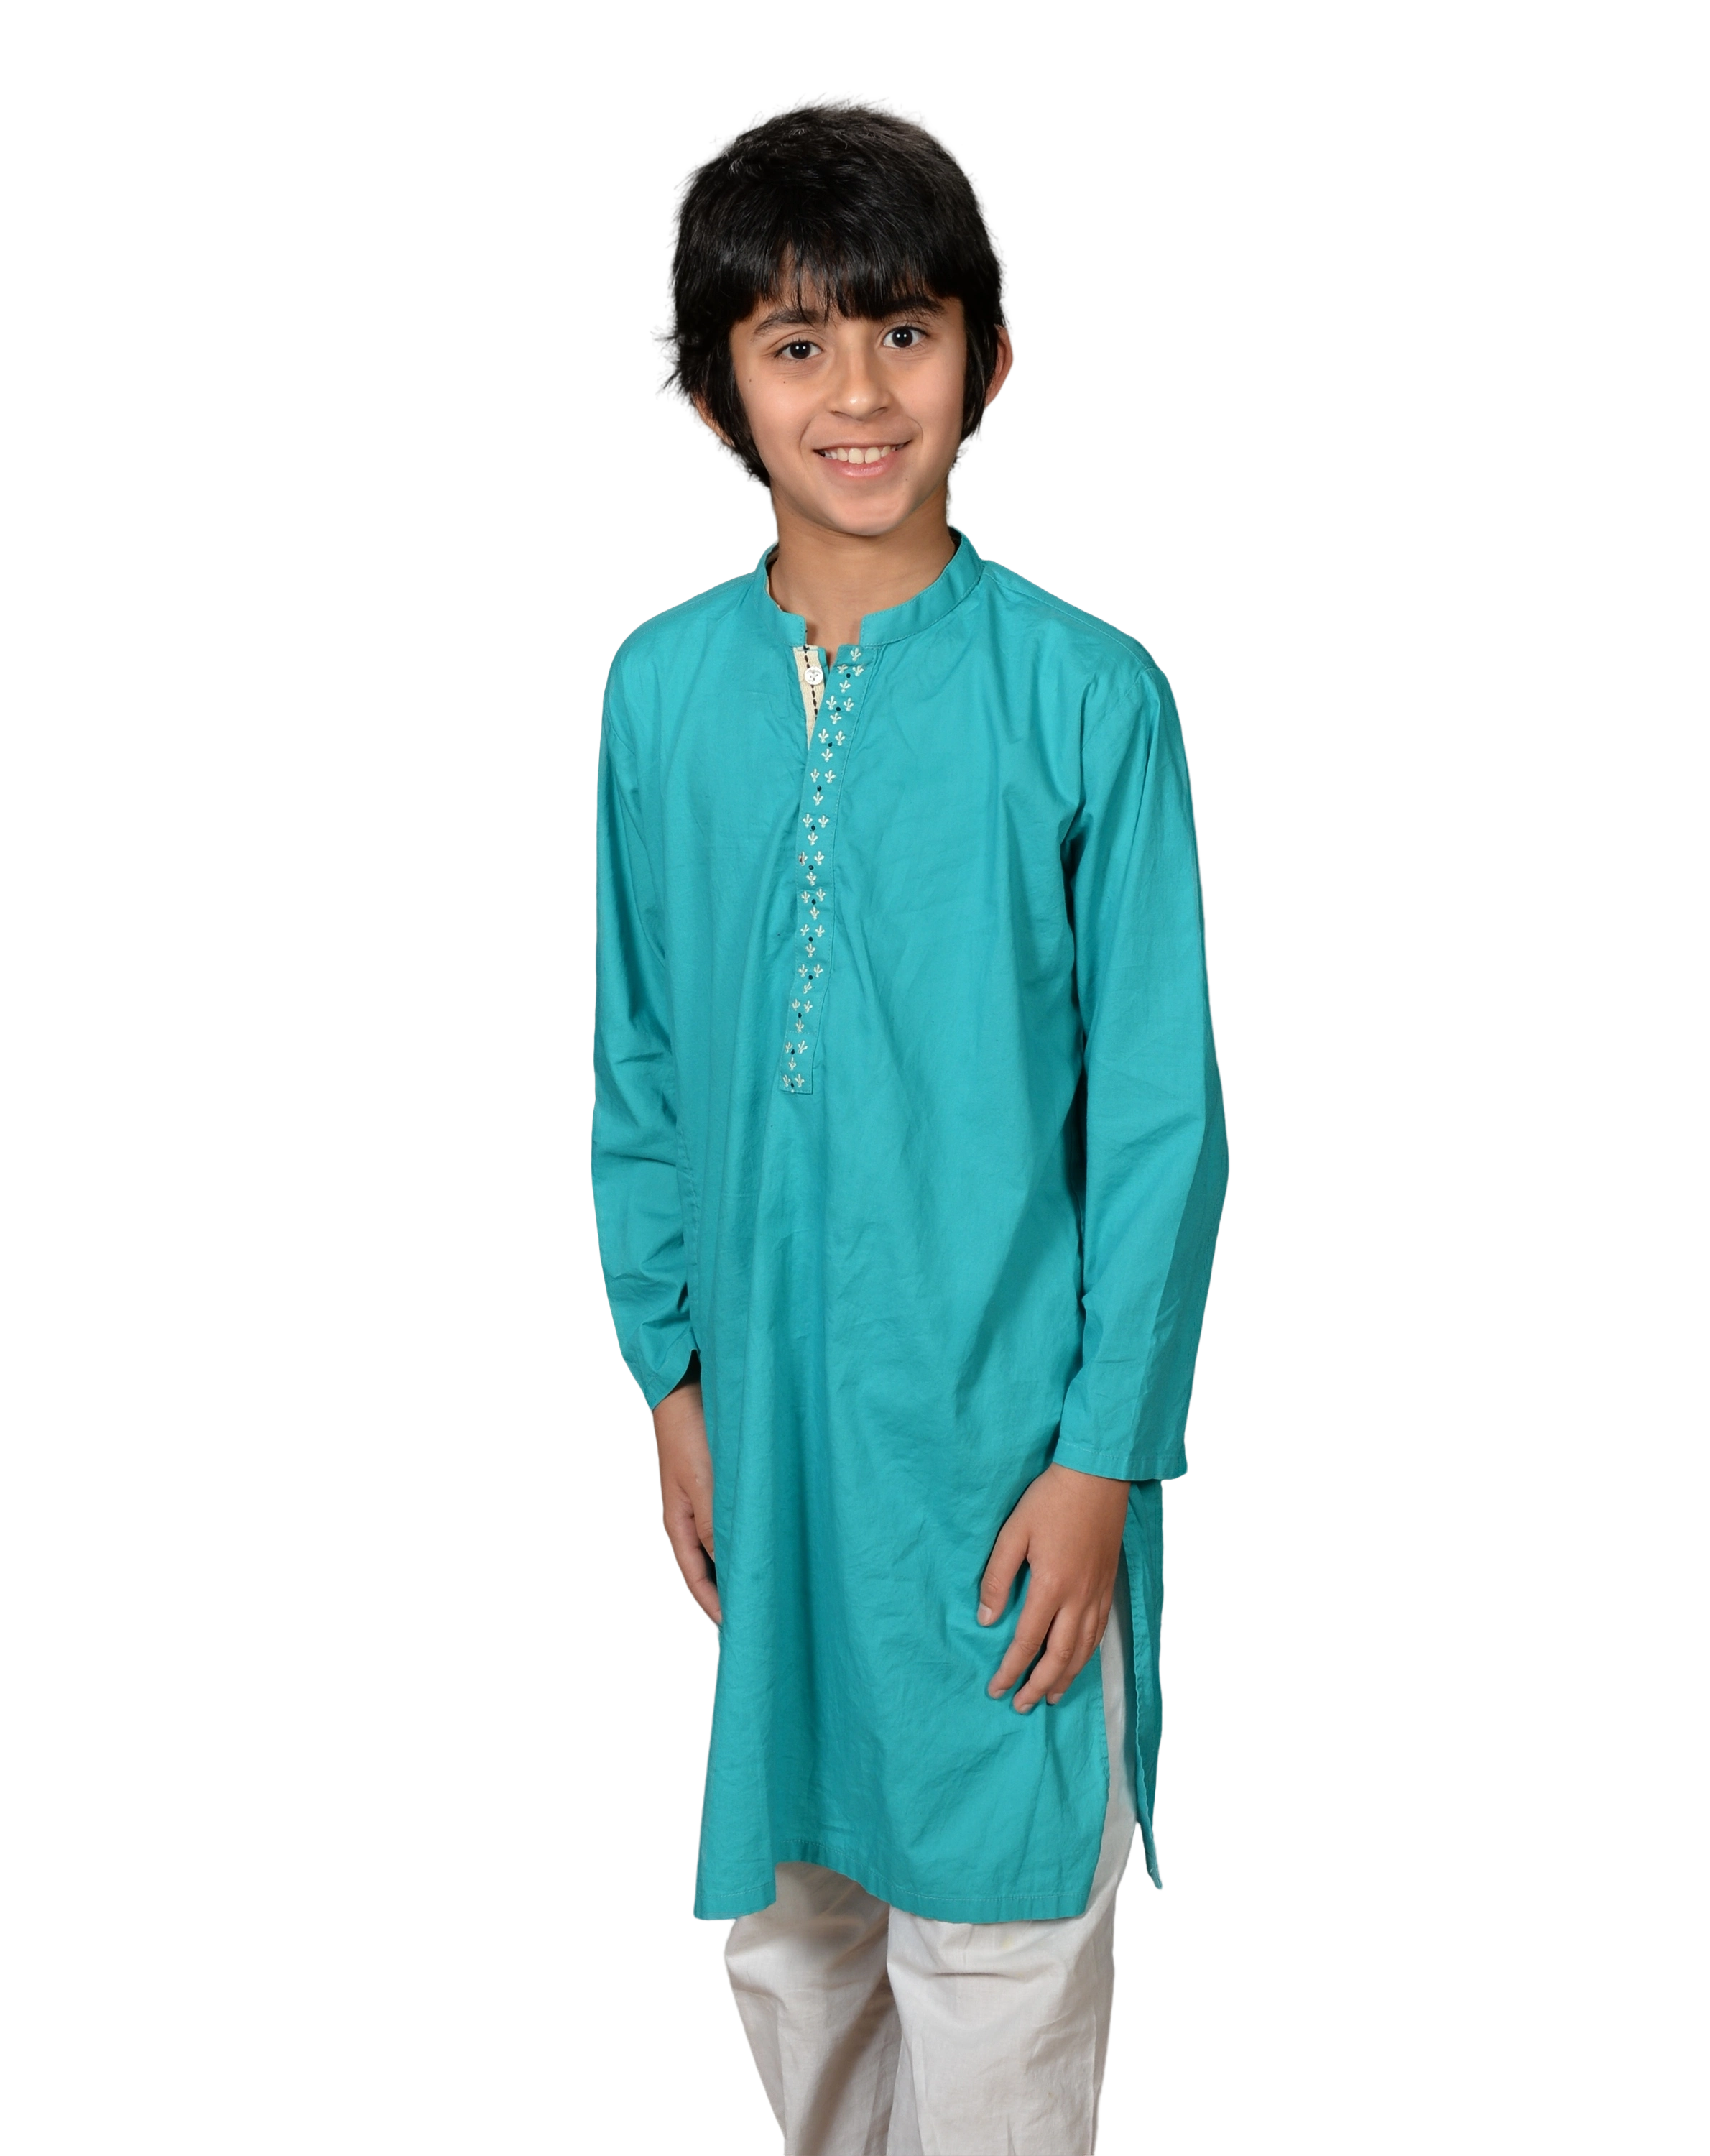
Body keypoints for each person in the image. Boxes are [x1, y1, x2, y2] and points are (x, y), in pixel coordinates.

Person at [590, 88, 1229, 2155]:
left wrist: (1102, 1459)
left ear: (989, 356)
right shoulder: (660, 693)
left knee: (998, 1932)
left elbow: (1164, 1123)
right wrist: (671, 1376)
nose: (858, 394)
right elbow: (641, 1057)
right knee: (797, 1941)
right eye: (796, 342)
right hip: (773, 1441)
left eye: (904, 330)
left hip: (1000, 1455)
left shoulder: (1088, 694)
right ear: (718, 390)